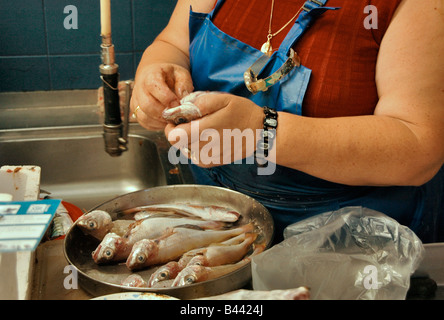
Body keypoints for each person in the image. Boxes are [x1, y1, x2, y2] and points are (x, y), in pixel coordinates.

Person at [130, 0, 444, 243]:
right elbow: (173, 42)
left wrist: (262, 133)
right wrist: (157, 72)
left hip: (347, 249)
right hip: (212, 226)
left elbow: (419, 147)